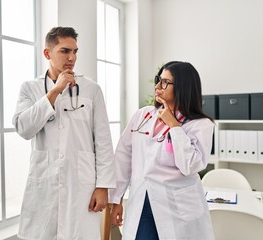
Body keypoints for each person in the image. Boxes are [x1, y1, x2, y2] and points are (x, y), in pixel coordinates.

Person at [13, 26, 115, 240]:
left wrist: (103, 186)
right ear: (47, 53)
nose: (72, 57)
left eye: (75, 51)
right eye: (65, 51)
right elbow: (24, 128)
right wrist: (55, 90)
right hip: (44, 183)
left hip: (81, 187)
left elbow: (103, 141)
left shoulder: (91, 89)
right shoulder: (29, 89)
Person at [109, 61, 215, 240]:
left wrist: (174, 126)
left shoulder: (200, 125)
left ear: (183, 87)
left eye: (165, 82)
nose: (158, 86)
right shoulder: (144, 115)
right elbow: (123, 155)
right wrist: (117, 198)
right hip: (142, 202)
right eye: (159, 80)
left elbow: (190, 166)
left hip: (177, 208)